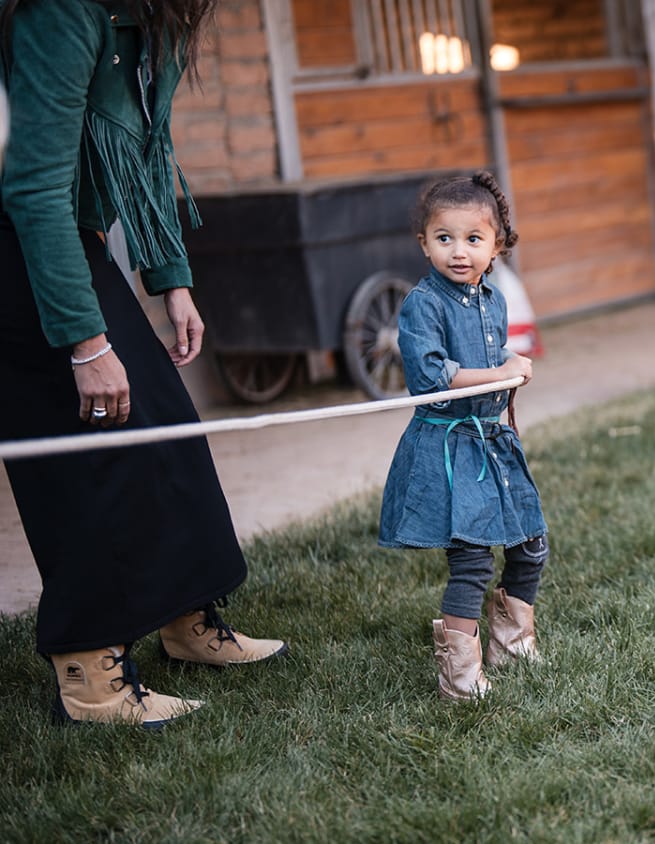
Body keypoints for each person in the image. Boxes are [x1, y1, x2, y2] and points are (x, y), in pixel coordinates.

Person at [0, 0, 285, 728]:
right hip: (20, 242)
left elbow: (150, 149)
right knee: (93, 450)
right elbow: (32, 186)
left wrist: (172, 280)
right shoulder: (62, 11)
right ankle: (89, 673)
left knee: (167, 427)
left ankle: (185, 619)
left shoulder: (155, 20)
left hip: (71, 236)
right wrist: (87, 345)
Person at [379, 171, 548, 701]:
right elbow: (433, 376)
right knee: (472, 558)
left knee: (531, 544)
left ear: (496, 245)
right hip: (448, 445)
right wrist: (497, 375)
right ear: (424, 244)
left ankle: (513, 639)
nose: (458, 251)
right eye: (444, 238)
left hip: (492, 442)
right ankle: (459, 672)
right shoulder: (422, 305)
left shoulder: (492, 299)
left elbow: (488, 354)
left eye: (473, 239)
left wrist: (509, 360)